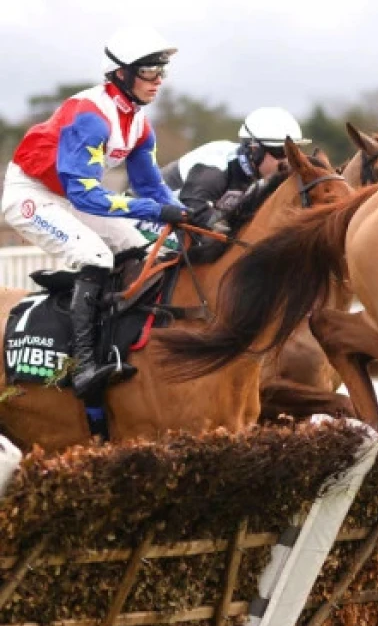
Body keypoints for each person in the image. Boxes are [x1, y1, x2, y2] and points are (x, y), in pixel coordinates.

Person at [1, 26, 192, 399]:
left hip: (71, 195)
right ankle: (85, 365)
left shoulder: (139, 123)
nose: (158, 82)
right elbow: (87, 195)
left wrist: (190, 217)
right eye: (149, 72)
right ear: (121, 73)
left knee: (137, 247)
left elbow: (152, 187)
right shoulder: (90, 116)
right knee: (96, 255)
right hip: (32, 194)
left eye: (162, 72)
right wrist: (155, 209)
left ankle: (117, 339)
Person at [170, 106, 309, 233]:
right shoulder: (216, 168)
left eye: (294, 152)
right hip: (160, 216)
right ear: (254, 150)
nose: (287, 161)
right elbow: (193, 207)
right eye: (280, 152)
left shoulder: (260, 176)